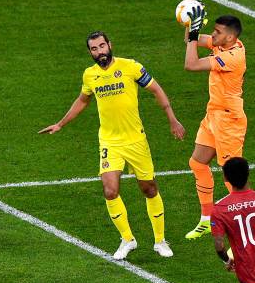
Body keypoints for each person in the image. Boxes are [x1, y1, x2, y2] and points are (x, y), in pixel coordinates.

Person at [39, 31, 185, 259]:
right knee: (110, 190)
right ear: (90, 53)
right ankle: (127, 239)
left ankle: (160, 240)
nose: (99, 52)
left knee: (149, 189)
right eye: (94, 49)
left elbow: (156, 89)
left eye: (102, 46)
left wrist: (172, 119)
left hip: (135, 140)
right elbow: (83, 100)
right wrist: (61, 124)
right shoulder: (90, 75)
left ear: (110, 45)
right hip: (109, 141)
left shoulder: (131, 67)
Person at [181, 3, 247, 240]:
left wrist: (194, 35)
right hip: (214, 115)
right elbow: (192, 38)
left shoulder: (233, 56)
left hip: (229, 120)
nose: (214, 35)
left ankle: (241, 232)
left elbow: (191, 64)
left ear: (230, 36)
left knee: (232, 178)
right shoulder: (225, 43)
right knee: (198, 163)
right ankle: (207, 220)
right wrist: (191, 24)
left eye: (217, 32)